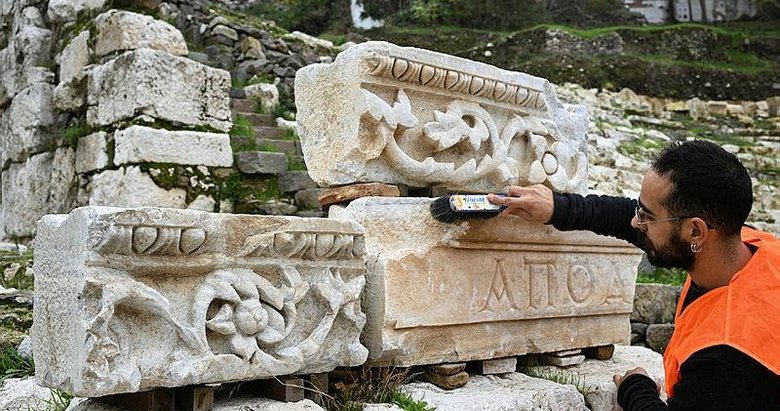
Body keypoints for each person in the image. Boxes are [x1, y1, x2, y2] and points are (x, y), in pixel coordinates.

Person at [487, 140, 780, 410]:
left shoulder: (729, 360)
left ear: (695, 231)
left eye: (646, 216)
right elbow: (631, 220)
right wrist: (558, 207)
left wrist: (636, 388)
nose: (634, 221)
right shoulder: (748, 246)